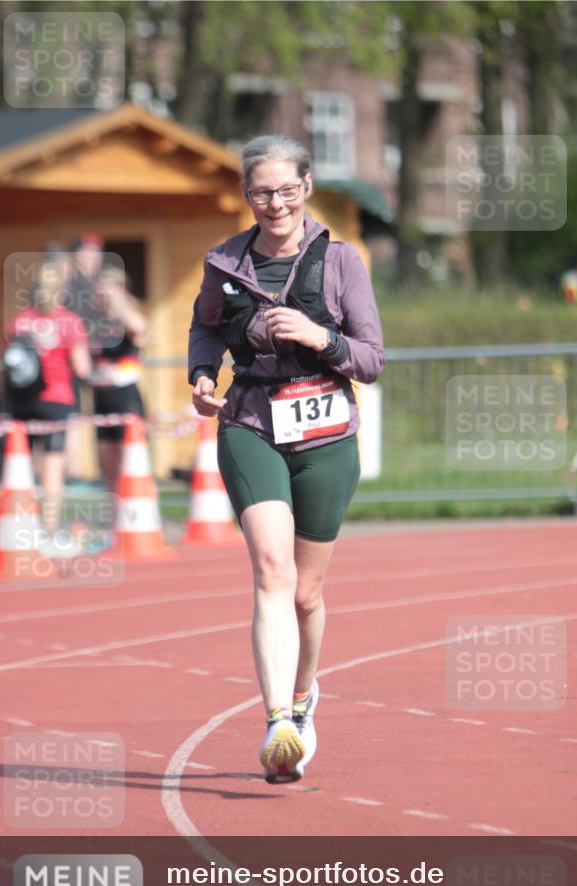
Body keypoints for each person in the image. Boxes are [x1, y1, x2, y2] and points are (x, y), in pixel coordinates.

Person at [188, 134, 385, 782]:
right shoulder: (223, 262)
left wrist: (318, 335)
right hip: (250, 422)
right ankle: (275, 720)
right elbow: (206, 326)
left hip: (325, 432)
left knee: (305, 592)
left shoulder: (340, 260)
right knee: (270, 569)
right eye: (260, 192)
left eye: (285, 189)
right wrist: (200, 375)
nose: (273, 202)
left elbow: (370, 359)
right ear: (246, 196)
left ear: (306, 186)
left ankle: (302, 699)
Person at [4, 255, 91, 539]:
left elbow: (11, 360)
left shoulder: (19, 321)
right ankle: (49, 529)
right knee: (53, 469)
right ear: (61, 289)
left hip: (22, 400)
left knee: (23, 465)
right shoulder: (69, 321)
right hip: (56, 398)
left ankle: (20, 524)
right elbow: (82, 368)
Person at [89, 266, 147, 494]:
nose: (102, 297)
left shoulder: (128, 315)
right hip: (101, 393)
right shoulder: (96, 320)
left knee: (130, 459)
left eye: (106, 292)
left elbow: (138, 328)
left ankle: (136, 512)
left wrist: (118, 303)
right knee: (107, 461)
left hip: (124, 394)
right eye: (99, 293)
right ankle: (114, 519)